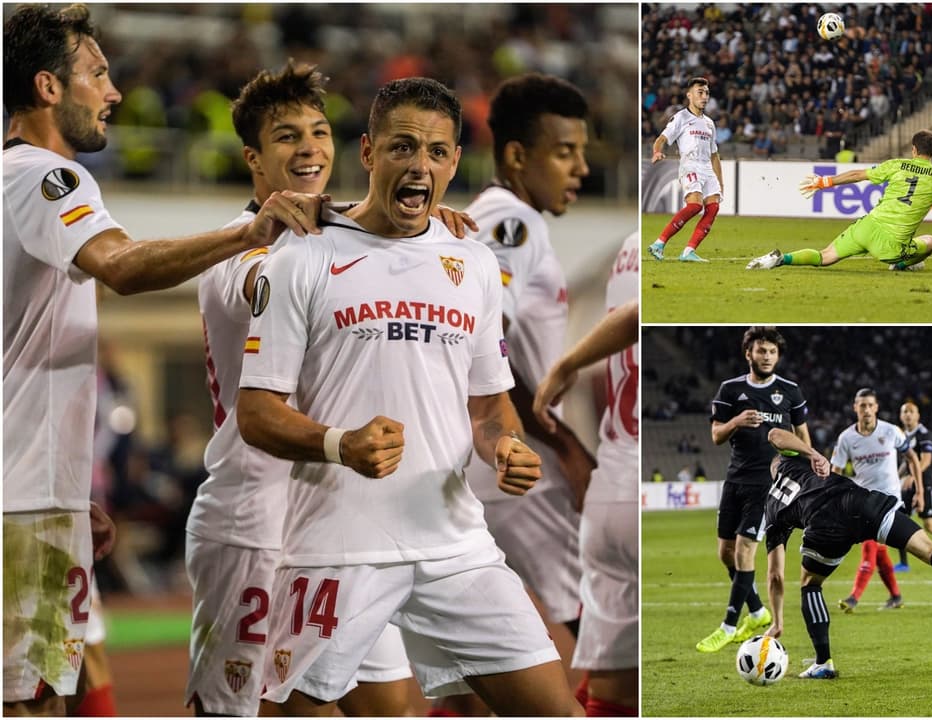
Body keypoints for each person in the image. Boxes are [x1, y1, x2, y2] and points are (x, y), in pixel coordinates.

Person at [3, 6, 322, 715]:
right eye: (97, 74)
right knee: (29, 702)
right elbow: (121, 265)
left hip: (31, 492)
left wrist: (65, 493)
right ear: (48, 87)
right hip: (22, 503)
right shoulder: (44, 177)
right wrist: (249, 231)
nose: (113, 92)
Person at [235, 77, 582, 716]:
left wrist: (505, 446)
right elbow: (255, 414)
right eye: (403, 147)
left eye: (438, 152)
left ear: (454, 163)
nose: (420, 165)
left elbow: (489, 405)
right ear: (368, 152)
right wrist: (340, 445)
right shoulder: (302, 256)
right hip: (338, 548)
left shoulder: (473, 263)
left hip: (456, 545)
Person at [185, 60, 476, 717]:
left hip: (339, 522)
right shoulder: (239, 253)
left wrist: (420, 230)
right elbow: (267, 279)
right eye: (286, 136)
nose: (309, 147)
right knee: (239, 708)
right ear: (253, 159)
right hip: (252, 518)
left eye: (319, 132)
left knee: (390, 706)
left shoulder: (332, 242)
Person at [444, 71, 596, 716]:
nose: (581, 168)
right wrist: (564, 444)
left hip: (488, 463)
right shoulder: (513, 221)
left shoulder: (491, 218)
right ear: (515, 155)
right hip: (521, 467)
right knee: (604, 630)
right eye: (565, 152)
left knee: (468, 673)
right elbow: (483, 333)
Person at [763, 428, 932, 680]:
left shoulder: (771, 509)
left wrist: (778, 621)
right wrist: (812, 453)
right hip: (858, 501)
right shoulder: (793, 459)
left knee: (811, 584)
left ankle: (823, 662)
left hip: (824, 524)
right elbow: (775, 434)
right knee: (930, 549)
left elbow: (775, 575)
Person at [534, 235, 641, 717]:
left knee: (608, 694)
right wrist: (568, 362)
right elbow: (637, 317)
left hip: (609, 487)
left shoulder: (630, 248)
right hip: (634, 486)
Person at [696, 327, 808, 653]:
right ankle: (758, 612)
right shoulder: (730, 389)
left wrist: (804, 470)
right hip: (735, 479)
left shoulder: (790, 391)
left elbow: (802, 436)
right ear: (749, 354)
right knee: (725, 552)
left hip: (768, 484)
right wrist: (736, 421)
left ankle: (728, 627)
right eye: (761, 351)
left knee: (745, 549)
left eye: (772, 352)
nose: (767, 357)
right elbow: (716, 436)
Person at [746, 129, 932, 272]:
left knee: (825, 256)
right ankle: (900, 265)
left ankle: (780, 259)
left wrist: (824, 181)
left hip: (866, 227)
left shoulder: (896, 165)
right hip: (891, 246)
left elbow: (856, 175)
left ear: (914, 149)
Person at [830, 389, 922, 612]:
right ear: (855, 408)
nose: (867, 410)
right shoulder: (846, 438)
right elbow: (835, 472)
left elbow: (912, 457)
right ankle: (896, 596)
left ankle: (853, 598)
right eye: (862, 405)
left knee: (870, 549)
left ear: (876, 407)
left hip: (890, 503)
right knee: (879, 551)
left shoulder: (891, 431)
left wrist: (919, 491)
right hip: (864, 503)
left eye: (870, 405)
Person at [648, 77, 725, 263]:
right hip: (690, 165)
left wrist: (720, 181)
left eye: (707, 93)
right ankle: (659, 243)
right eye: (700, 92)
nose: (704, 97)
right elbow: (661, 139)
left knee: (713, 207)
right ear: (689, 95)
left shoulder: (709, 123)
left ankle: (688, 251)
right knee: (695, 206)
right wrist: (657, 151)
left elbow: (714, 155)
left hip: (707, 168)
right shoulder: (681, 117)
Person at [895, 400, 932, 570]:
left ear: (917, 415)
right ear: (901, 416)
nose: (908, 414)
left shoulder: (924, 434)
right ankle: (904, 563)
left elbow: (926, 460)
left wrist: (913, 477)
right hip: (908, 484)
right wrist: (896, 477)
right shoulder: (904, 435)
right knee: (899, 520)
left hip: (924, 483)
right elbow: (906, 462)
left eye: (911, 411)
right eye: (905, 411)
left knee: (930, 525)